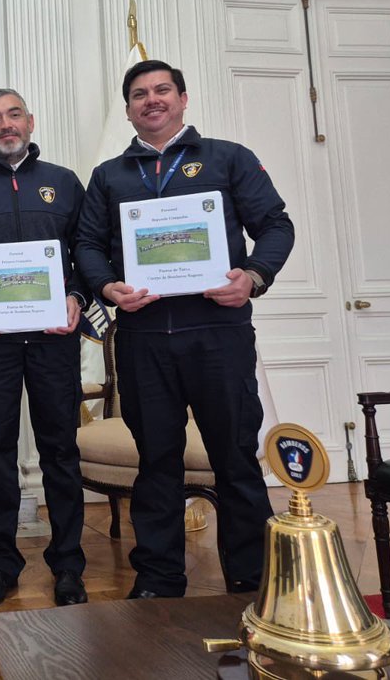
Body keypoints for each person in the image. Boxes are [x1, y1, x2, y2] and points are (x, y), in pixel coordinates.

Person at [73, 59, 294, 599]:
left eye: (162, 90)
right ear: (127, 109)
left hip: (219, 333)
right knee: (157, 461)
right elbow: (86, 247)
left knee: (235, 457)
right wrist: (106, 287)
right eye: (139, 94)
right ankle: (160, 575)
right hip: (144, 340)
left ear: (183, 98)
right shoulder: (109, 176)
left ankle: (250, 577)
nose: (152, 100)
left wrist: (254, 275)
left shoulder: (228, 158)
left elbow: (275, 225)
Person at [0, 88, 91, 609]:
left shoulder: (65, 183)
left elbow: (88, 252)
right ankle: (0, 564)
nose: (5, 125)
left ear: (30, 121)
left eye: (13, 115)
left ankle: (69, 566)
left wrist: (76, 295)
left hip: (54, 340)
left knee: (60, 450)